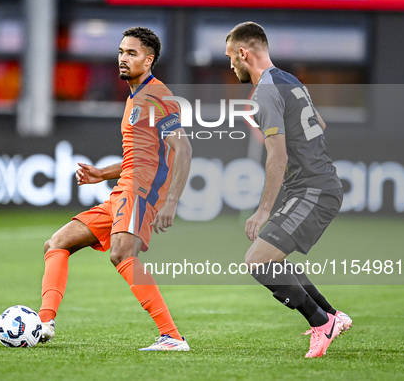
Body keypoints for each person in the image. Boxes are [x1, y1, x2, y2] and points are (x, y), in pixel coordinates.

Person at [39, 27, 192, 351]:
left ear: (149, 60)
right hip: (122, 189)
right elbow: (141, 156)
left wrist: (171, 201)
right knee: (57, 243)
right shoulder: (135, 96)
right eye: (121, 52)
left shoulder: (158, 96)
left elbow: (183, 148)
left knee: (122, 253)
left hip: (139, 192)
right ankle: (44, 323)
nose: (123, 58)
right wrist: (101, 174)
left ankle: (172, 337)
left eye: (132, 53)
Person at [224, 22, 352, 358]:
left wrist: (263, 210)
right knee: (273, 258)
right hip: (313, 186)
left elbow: (277, 157)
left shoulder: (264, 91)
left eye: (230, 58)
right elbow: (319, 124)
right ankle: (333, 316)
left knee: (258, 261)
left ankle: (321, 322)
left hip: (312, 189)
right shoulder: (288, 80)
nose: (230, 66)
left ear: (243, 53)